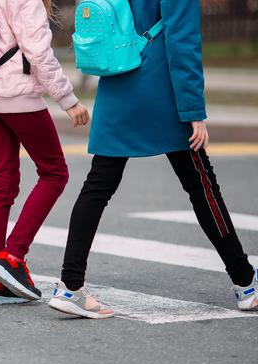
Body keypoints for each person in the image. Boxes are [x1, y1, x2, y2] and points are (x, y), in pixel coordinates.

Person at [49, 0, 258, 319]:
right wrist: (193, 111)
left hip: (118, 77)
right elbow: (182, 39)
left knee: (99, 184)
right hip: (161, 86)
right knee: (202, 185)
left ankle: (70, 285)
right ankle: (246, 284)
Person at [0, 0, 90, 306]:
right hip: (19, 96)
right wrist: (68, 100)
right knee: (55, 173)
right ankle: (12, 256)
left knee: (2, 182)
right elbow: (38, 53)